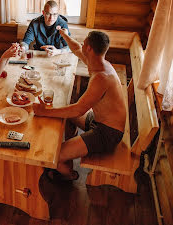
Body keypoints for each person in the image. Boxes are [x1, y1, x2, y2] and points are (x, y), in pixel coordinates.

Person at [33, 30, 126, 181]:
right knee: (67, 112)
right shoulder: (97, 61)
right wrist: (63, 34)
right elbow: (76, 48)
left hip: (108, 133)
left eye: (84, 43)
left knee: (53, 155)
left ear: (89, 48)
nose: (82, 44)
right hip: (98, 120)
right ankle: (73, 146)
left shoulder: (102, 77)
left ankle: (70, 175)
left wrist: (44, 111)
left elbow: (78, 109)